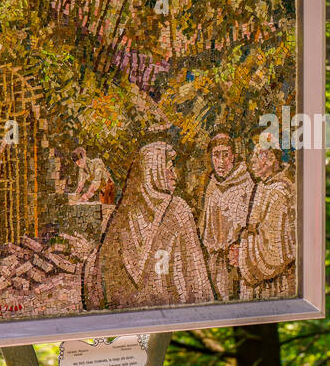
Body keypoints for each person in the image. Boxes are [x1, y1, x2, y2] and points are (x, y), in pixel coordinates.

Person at [83, 141, 213, 310]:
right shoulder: (177, 210)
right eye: (168, 168)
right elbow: (196, 280)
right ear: (153, 172)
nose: (174, 175)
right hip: (165, 315)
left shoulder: (121, 216)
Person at [229, 136, 297, 300]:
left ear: (271, 158)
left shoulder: (278, 192)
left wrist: (243, 253)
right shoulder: (263, 186)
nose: (252, 160)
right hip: (255, 280)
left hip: (272, 284)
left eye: (257, 155)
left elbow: (274, 251)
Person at [199, 132, 255, 301]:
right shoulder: (212, 186)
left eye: (226, 155)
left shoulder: (246, 184)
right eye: (216, 156)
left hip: (238, 258)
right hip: (216, 259)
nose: (221, 162)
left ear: (233, 156)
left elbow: (253, 223)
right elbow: (205, 223)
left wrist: (240, 245)